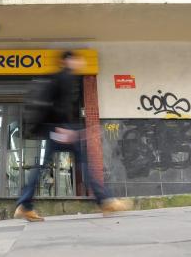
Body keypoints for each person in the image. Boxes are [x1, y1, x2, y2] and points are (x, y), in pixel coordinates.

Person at [14, 51, 132, 221]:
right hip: (61, 130)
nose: (79, 62)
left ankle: (24, 205)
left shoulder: (62, 77)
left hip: (57, 130)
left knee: (52, 165)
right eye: (76, 60)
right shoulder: (65, 77)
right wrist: (64, 128)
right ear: (67, 61)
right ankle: (105, 201)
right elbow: (59, 106)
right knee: (83, 163)